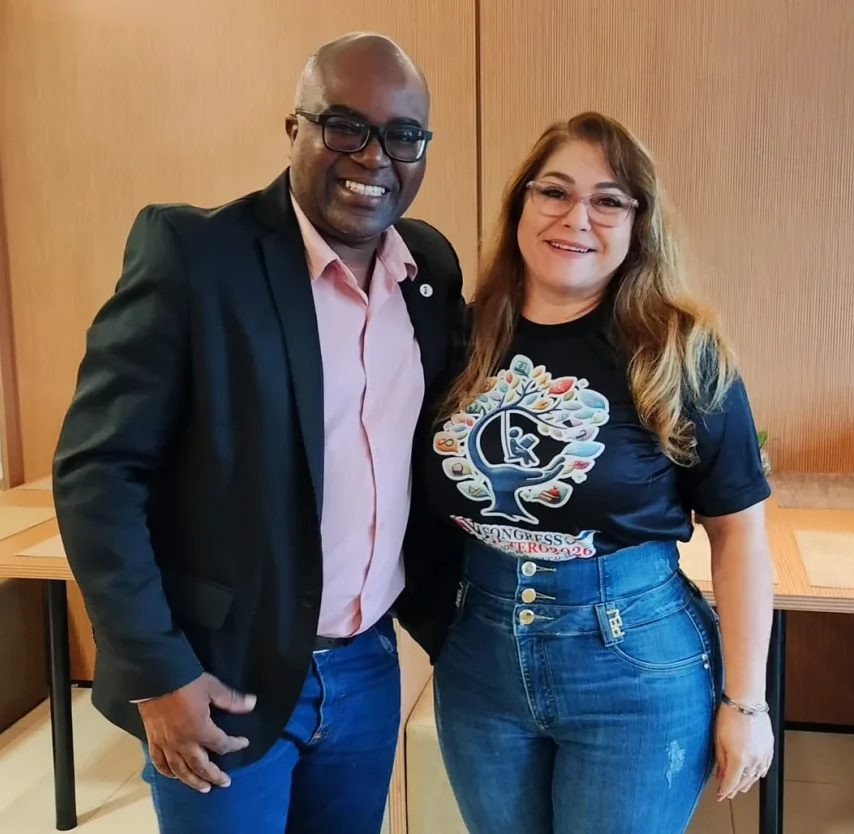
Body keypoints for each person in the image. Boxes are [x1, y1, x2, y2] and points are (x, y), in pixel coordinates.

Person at [52, 32, 463, 834]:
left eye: (402, 135)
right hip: (221, 672)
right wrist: (156, 671)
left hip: (368, 665)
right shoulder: (196, 257)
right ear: (295, 128)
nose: (374, 156)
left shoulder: (428, 270)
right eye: (345, 125)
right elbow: (99, 474)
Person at [407, 112, 775, 833]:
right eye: (554, 191)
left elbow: (739, 536)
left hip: (634, 662)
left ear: (640, 222)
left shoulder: (678, 352)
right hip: (479, 656)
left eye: (608, 200)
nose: (576, 217)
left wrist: (747, 702)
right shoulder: (458, 337)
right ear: (521, 203)